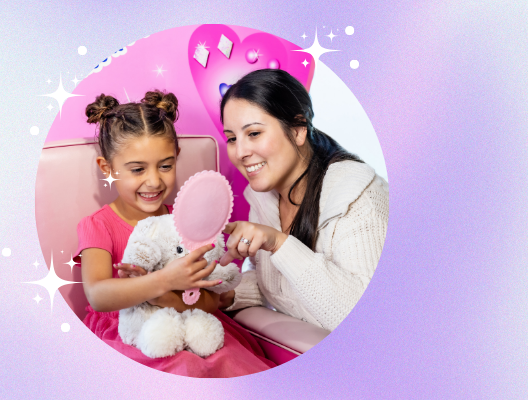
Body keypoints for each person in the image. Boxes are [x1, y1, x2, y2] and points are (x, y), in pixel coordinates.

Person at [76, 90, 275, 377]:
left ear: (177, 157)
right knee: (182, 368)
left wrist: (167, 296)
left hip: (190, 323)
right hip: (128, 332)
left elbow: (210, 301)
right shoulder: (98, 225)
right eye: (137, 169)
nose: (154, 180)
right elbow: (98, 295)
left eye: (166, 166)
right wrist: (165, 281)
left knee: (230, 364)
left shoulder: (185, 223)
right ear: (108, 168)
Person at [216, 69, 390, 332]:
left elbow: (367, 320)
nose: (240, 152)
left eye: (253, 133)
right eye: (232, 138)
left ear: (298, 130)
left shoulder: (358, 196)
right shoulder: (264, 198)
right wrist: (222, 294)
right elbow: (278, 283)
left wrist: (278, 242)